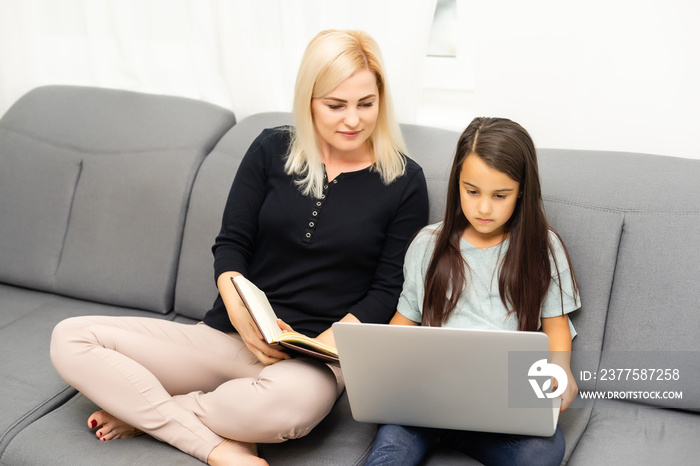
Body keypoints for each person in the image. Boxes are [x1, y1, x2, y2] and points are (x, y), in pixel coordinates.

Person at [50, 29, 429, 466]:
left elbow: (387, 290)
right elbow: (231, 245)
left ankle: (148, 412)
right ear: (309, 100)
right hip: (228, 338)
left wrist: (323, 344)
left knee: (289, 408)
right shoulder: (271, 148)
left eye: (366, 103)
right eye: (336, 105)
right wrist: (240, 317)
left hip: (311, 365)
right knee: (71, 338)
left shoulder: (404, 181)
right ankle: (217, 446)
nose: (353, 120)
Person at [364, 117, 580, 466]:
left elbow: (556, 330)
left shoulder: (544, 248)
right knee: (390, 452)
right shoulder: (428, 245)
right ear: (457, 184)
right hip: (428, 403)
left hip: (507, 406)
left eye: (500, 195)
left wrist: (561, 373)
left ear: (522, 190)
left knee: (543, 451)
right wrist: (378, 370)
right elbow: (403, 323)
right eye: (472, 191)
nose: (483, 208)